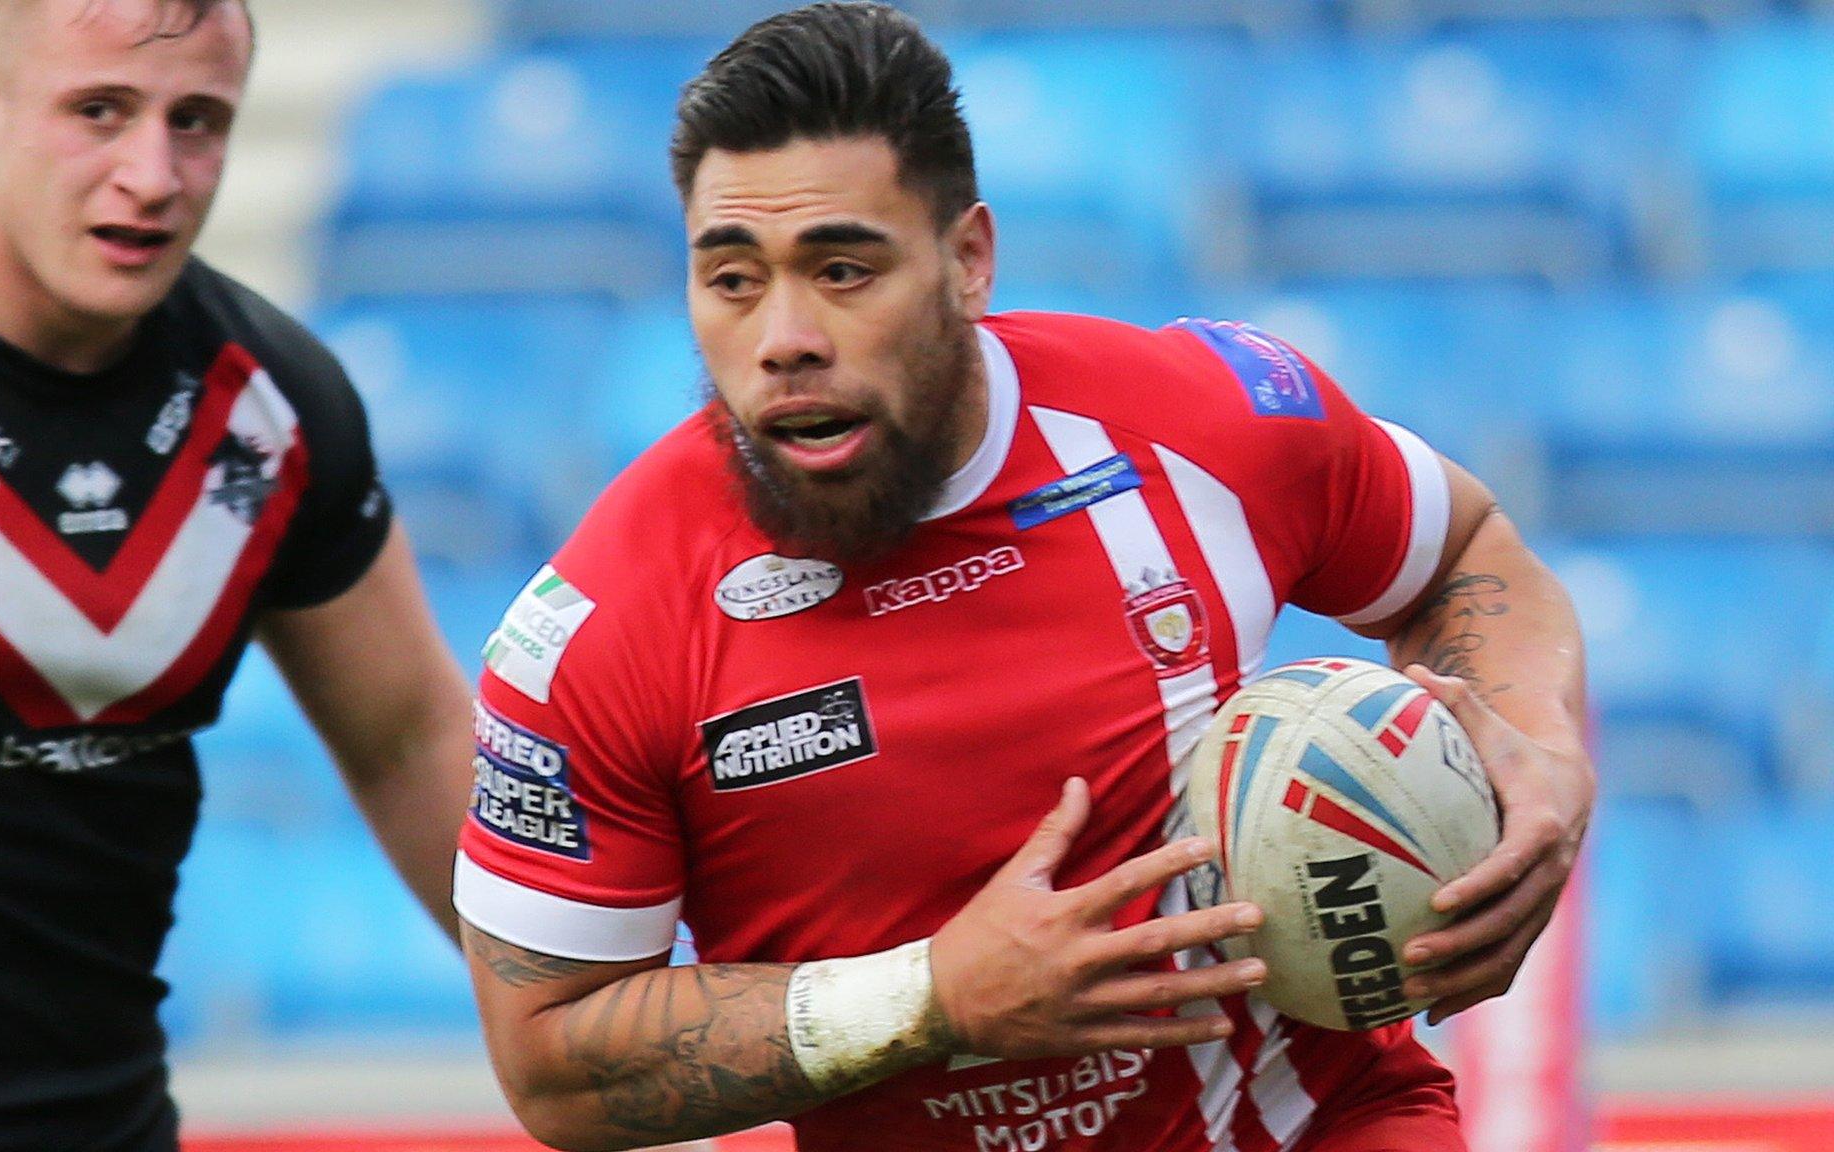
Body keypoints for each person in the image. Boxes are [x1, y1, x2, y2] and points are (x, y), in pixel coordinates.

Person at [454, 4, 1593, 1150]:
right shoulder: (603, 625)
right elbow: (552, 1064)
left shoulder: (1201, 422)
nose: (783, 335)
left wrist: (1529, 746)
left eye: (841, 269)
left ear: (965, 260)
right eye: (734, 280)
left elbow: (1463, 555)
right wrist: (931, 998)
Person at [0, 1, 478, 1149]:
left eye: (196, 120)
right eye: (97, 111)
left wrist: (593, 1015)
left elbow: (408, 736)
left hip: (110, 1121)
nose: (151, 174)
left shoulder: (276, 405)